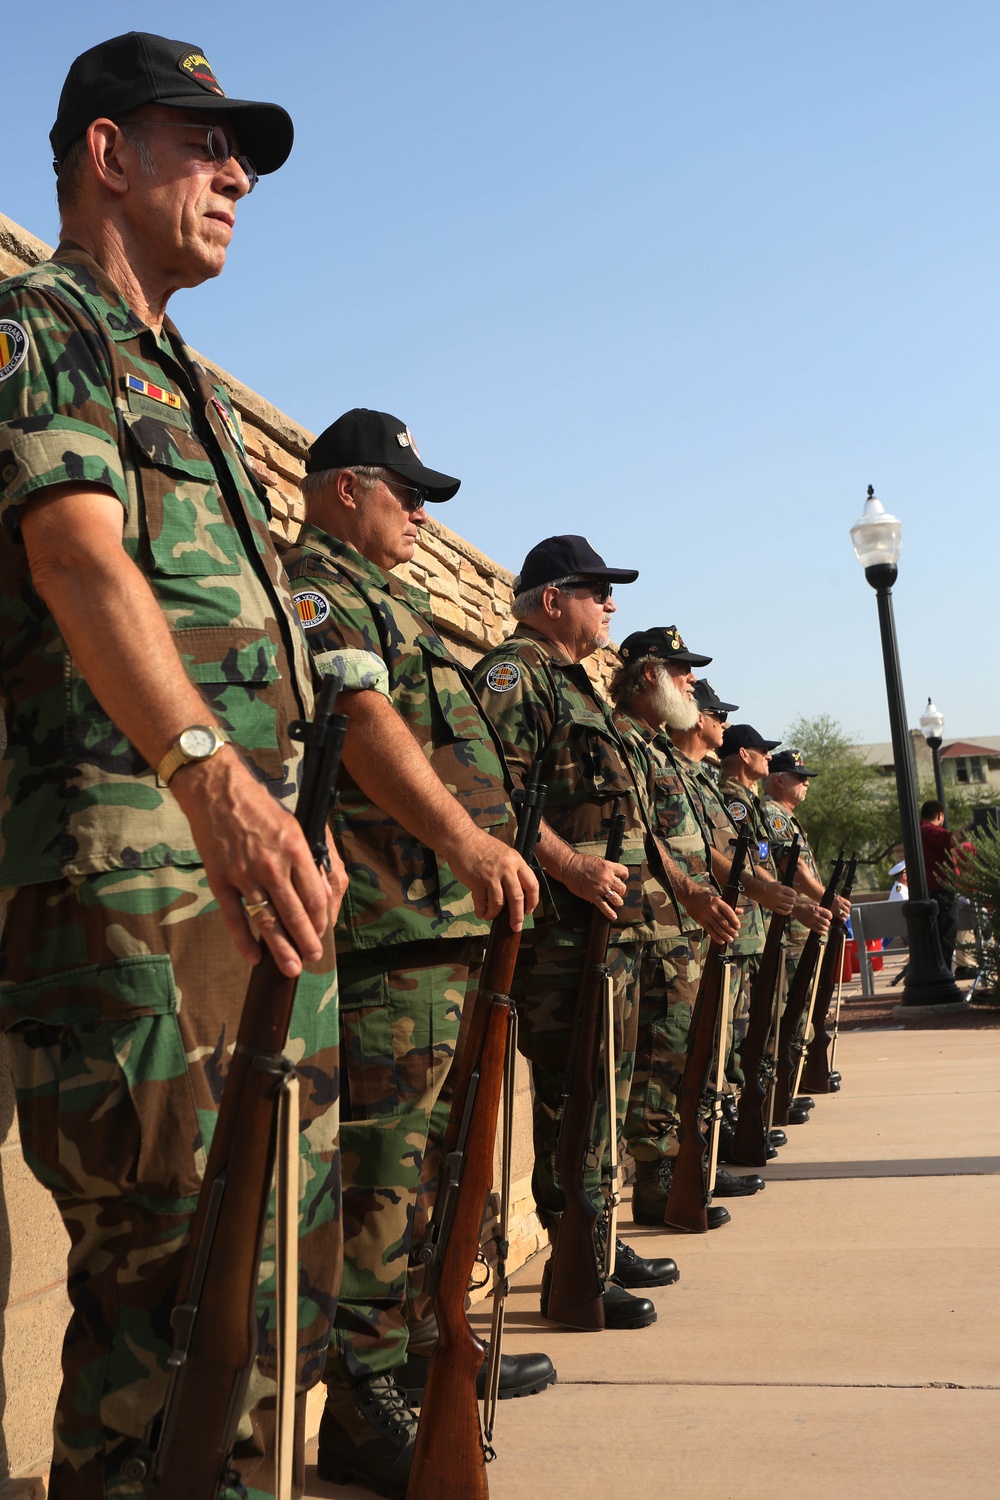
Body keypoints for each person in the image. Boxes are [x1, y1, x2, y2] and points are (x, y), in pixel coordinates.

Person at [0, 32, 346, 1498]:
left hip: (244, 884)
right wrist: (209, 772)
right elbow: (76, 548)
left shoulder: (179, 376)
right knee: (165, 1278)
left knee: (271, 1270)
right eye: (204, 140)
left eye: (241, 150)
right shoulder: (44, 327)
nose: (238, 173)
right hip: (130, 885)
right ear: (105, 154)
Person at [281, 409, 551, 1498]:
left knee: (436, 1177)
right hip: (389, 938)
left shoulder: (401, 604)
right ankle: (362, 1402)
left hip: (445, 932)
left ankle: (421, 1363)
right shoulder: (317, 588)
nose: (424, 515)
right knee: (383, 1177)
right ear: (346, 489)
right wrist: (461, 838)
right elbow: (356, 714)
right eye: (407, 493)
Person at [475, 537, 680, 1333]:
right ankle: (575, 1263)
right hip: (564, 935)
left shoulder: (578, 689)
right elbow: (495, 796)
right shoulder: (514, 676)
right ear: (552, 599)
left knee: (604, 1093)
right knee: (574, 1101)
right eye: (598, 590)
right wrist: (572, 871)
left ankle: (596, 1241)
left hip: (607, 934)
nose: (612, 605)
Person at [608, 633, 749, 1230]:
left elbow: (698, 846)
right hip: (649, 927)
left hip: (679, 928)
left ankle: (676, 1173)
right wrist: (693, 894)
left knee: (679, 1055)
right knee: (652, 1063)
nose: (691, 682)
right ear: (647, 677)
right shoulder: (623, 740)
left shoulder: (657, 750)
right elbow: (646, 836)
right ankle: (655, 1183)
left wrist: (761, 891)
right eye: (681, 671)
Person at [761, 749, 852, 983]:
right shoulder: (773, 813)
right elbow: (793, 867)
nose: (807, 783)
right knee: (795, 1005)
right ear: (779, 779)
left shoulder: (784, 815)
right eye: (800, 778)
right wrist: (828, 898)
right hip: (793, 927)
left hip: (802, 927)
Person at [920, 800, 958, 969]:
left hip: (929, 890)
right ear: (940, 815)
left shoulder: (917, 831)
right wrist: (972, 827)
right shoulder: (929, 831)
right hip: (941, 892)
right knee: (946, 939)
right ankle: (945, 975)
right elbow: (951, 839)